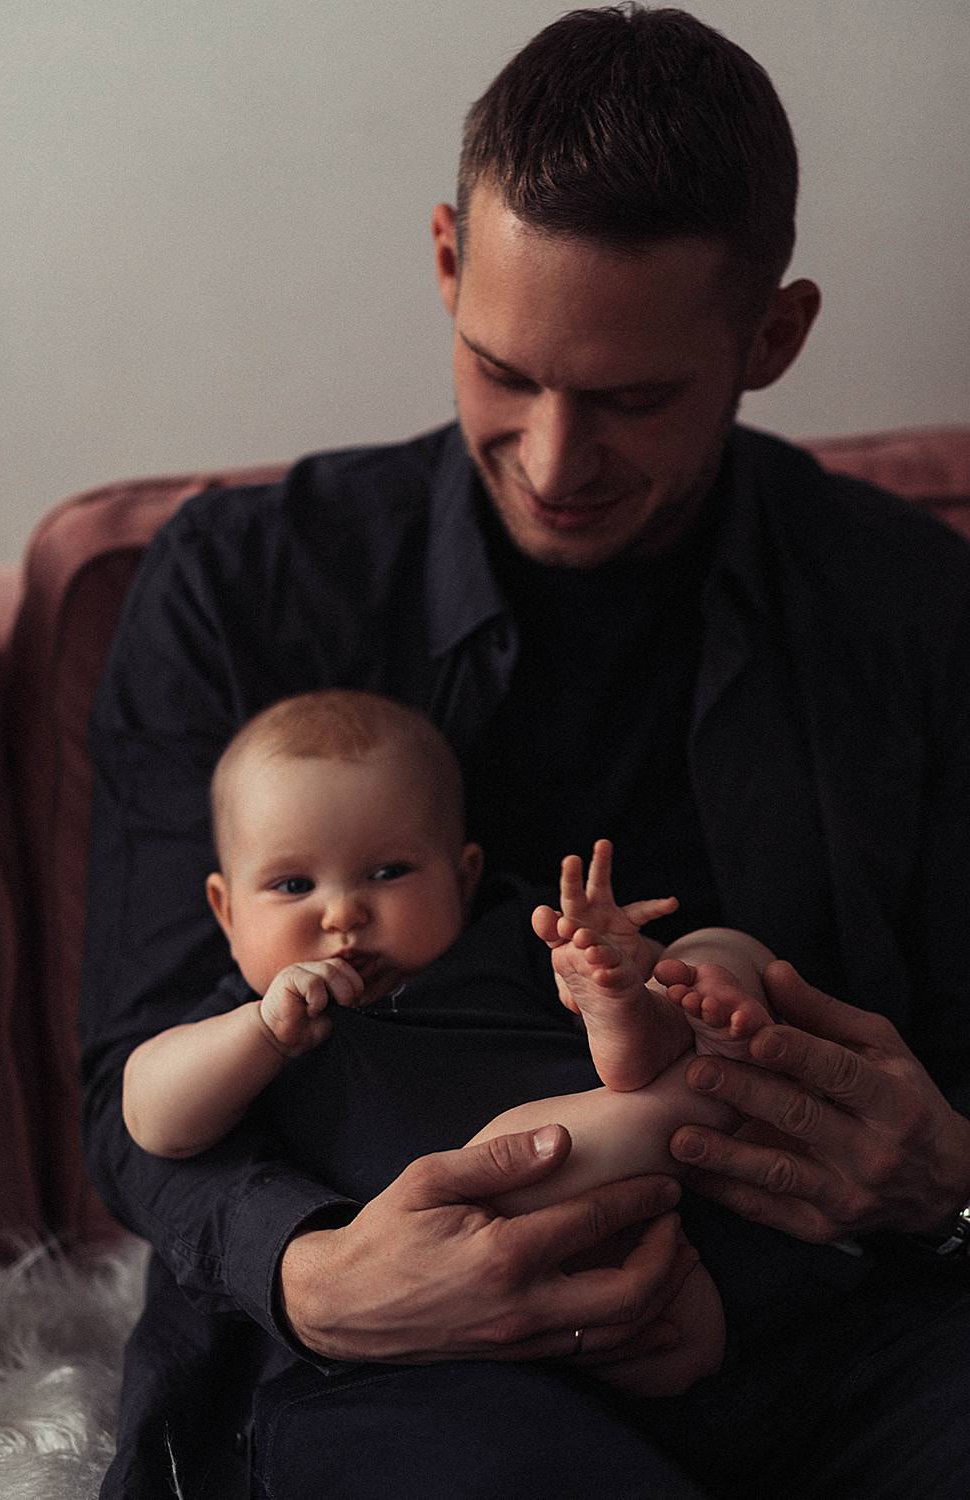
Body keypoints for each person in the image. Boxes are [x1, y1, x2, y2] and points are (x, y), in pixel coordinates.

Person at [81, 7, 970, 1498]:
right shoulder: (241, 588)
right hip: (399, 1349)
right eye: (504, 371)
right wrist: (311, 1276)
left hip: (832, 1327)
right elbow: (137, 1064)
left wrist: (948, 1187)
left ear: (773, 337)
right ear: (446, 259)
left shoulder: (911, 606)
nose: (556, 462)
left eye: (634, 399)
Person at [121, 688, 780, 1398]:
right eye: (292, 885)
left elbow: (626, 1026)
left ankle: (663, 1032)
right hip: (451, 1274)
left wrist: (616, 974)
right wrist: (261, 1034)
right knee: (518, 1153)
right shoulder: (259, 1017)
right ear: (225, 909)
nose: (344, 912)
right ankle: (697, 1092)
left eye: (387, 873)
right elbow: (149, 1114)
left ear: (462, 876)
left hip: (647, 1229)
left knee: (718, 949)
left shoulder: (509, 941)